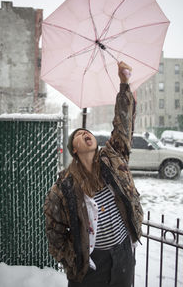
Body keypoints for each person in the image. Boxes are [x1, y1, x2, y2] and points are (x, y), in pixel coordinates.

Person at [44, 62, 143, 287]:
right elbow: (54, 230)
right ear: (75, 150)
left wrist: (124, 84)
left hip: (123, 255)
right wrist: (74, 259)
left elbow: (123, 126)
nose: (85, 133)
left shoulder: (113, 159)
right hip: (91, 265)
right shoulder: (65, 186)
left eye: (86, 132)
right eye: (79, 134)